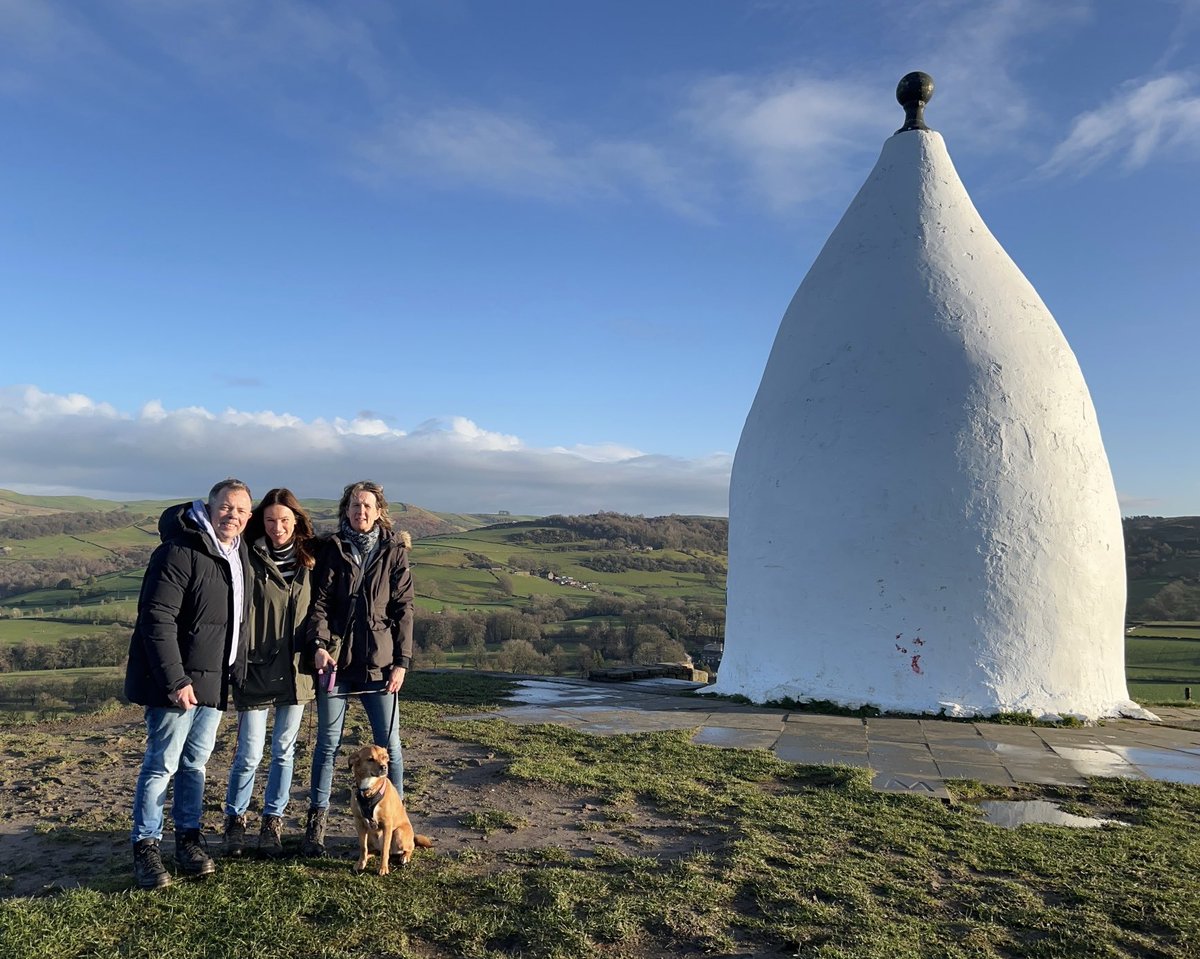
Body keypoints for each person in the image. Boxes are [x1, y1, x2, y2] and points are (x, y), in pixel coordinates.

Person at [125, 478, 253, 890]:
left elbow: (234, 621)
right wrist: (175, 679)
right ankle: (146, 845)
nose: (233, 515)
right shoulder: (179, 550)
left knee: (194, 763)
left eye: (241, 510)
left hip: (214, 681)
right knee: (161, 763)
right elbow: (156, 618)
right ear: (208, 506)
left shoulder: (237, 554)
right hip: (177, 682)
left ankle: (188, 839)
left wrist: (235, 670)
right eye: (226, 507)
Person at [302, 480, 414, 857]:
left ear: (379, 510)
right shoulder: (333, 549)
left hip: (381, 667)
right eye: (353, 505)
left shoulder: (394, 550)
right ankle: (316, 824)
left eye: (367, 505)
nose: (360, 511)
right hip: (334, 662)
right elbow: (317, 603)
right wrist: (318, 645)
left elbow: (404, 610)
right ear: (345, 510)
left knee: (390, 749)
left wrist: (402, 662)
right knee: (327, 746)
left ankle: (394, 827)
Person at [222, 488, 317, 858]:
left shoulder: (312, 559)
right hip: (256, 667)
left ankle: (272, 823)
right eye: (270, 520)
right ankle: (235, 821)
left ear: (297, 522)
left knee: (283, 751)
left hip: (297, 671)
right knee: (248, 752)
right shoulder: (246, 555)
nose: (277, 527)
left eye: (284, 520)